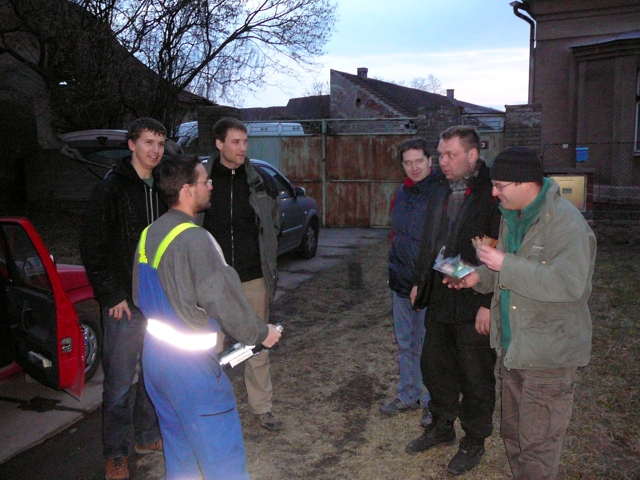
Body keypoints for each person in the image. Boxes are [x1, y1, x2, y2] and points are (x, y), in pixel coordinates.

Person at [451, 146, 596, 479]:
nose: (493, 192)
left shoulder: (567, 224)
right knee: (514, 435)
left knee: (537, 446)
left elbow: (570, 285)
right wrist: (477, 277)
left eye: (500, 185)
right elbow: (503, 271)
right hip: (514, 348)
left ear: (526, 183)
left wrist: (506, 264)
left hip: (547, 356)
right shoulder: (512, 216)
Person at [133, 154, 281, 479]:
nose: (210, 186)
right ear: (187, 189)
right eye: (205, 181)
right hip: (191, 371)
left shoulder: (149, 234)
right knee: (223, 460)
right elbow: (225, 301)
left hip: (156, 363)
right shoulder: (196, 239)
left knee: (181, 454)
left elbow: (138, 295)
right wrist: (261, 333)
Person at [405, 125, 501, 476]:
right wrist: (420, 282)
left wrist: (487, 302)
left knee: (475, 375)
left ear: (472, 155)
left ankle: (474, 439)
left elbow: (499, 252)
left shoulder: (493, 194)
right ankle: (442, 425)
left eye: (450, 155)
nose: (442, 162)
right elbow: (429, 242)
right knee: (435, 366)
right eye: (441, 154)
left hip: (474, 301)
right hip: (441, 297)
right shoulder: (441, 190)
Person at [79, 118, 166, 480]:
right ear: (132, 144)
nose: (155, 150)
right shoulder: (111, 189)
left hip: (156, 302)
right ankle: (116, 453)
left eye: (160, 143)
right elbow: (92, 246)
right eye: (148, 142)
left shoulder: (162, 188)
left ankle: (145, 437)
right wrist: (111, 294)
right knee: (119, 385)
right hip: (123, 306)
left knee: (152, 376)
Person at [202, 117, 283, 431]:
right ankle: (210, 406)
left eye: (245, 141)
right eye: (235, 142)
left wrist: (266, 260)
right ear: (219, 143)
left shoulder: (259, 181)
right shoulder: (202, 180)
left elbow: (273, 223)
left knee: (257, 342)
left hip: (252, 277)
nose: (242, 148)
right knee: (210, 346)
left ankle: (263, 408)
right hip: (213, 281)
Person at [380, 138, 445, 427]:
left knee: (431, 346)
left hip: (430, 285)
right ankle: (408, 394)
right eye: (408, 162)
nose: (414, 167)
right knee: (406, 343)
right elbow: (397, 236)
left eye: (419, 160)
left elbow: (441, 242)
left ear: (430, 160)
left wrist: (427, 280)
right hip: (401, 283)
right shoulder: (401, 193)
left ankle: (433, 401)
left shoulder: (441, 192)